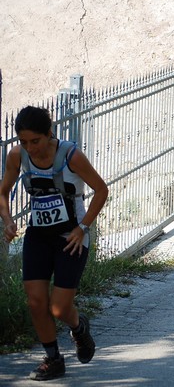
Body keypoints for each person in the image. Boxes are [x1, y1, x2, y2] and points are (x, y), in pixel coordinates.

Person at [0, 106, 109, 381]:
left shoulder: (71, 156)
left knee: (59, 309)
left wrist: (83, 228)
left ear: (49, 134)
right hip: (38, 235)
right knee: (36, 301)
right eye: (23, 142)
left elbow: (101, 189)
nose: (30, 148)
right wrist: (8, 220)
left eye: (35, 141)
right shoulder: (17, 156)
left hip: (71, 238)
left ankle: (78, 327)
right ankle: (53, 359)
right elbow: (3, 192)